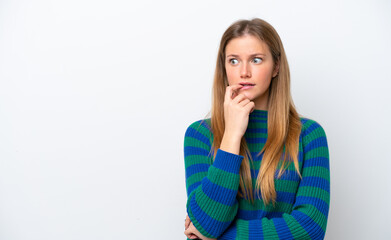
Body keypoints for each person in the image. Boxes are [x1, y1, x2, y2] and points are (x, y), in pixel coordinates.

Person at [183, 18, 330, 240]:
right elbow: (206, 221)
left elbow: (310, 229)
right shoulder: (199, 135)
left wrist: (220, 237)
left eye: (256, 60)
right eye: (233, 61)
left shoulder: (309, 135)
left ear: (276, 67)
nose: (244, 72)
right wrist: (232, 134)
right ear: (224, 67)